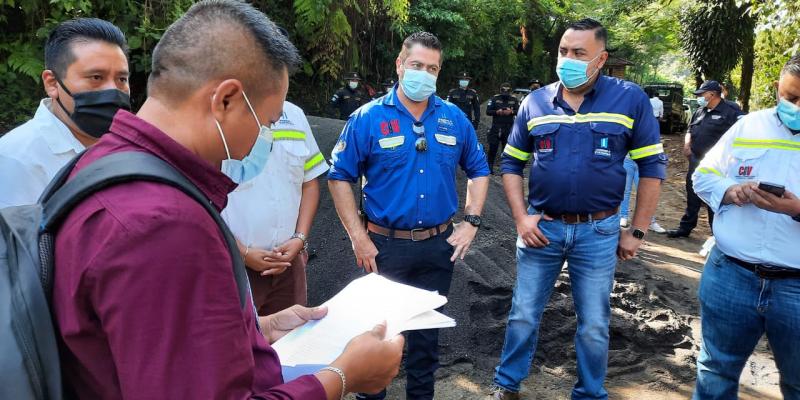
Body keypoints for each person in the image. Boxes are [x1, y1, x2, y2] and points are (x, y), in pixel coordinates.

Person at [52, 1, 403, 398]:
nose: (263, 142)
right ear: (225, 100)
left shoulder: (104, 165)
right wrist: (342, 377)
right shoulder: (162, 225)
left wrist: (254, 328)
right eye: (267, 124)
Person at [489, 18, 666, 399]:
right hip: (543, 230)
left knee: (594, 324)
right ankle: (507, 385)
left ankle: (589, 392)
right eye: (563, 51)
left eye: (578, 53)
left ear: (600, 59)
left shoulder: (629, 99)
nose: (567, 59)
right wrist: (521, 217)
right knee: (523, 314)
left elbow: (652, 167)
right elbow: (510, 163)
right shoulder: (535, 102)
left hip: (599, 233)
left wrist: (636, 231)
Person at [328, 31, 490, 400]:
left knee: (425, 342)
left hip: (438, 247)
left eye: (432, 68)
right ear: (400, 65)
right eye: (417, 65)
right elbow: (339, 177)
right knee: (378, 336)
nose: (424, 74)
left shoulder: (453, 118)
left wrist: (471, 222)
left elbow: (480, 169)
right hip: (383, 248)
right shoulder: (367, 118)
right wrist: (358, 236)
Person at [691, 55, 800, 399]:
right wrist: (729, 189)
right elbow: (703, 175)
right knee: (715, 373)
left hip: (796, 287)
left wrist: (797, 209)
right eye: (790, 97)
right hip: (730, 276)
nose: (795, 106)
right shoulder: (749, 126)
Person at [0, 18, 130, 208]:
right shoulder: (16, 159)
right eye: (96, 77)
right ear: (52, 83)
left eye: (122, 79)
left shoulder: (127, 146)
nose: (113, 90)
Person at [222, 100, 328, 316]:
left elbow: (309, 184)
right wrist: (242, 252)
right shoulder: (220, 117)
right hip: (233, 266)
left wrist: (299, 239)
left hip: (289, 266)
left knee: (290, 341)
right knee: (239, 343)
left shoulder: (295, 115)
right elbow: (203, 197)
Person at [667, 80, 744, 238]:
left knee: (713, 195)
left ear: (712, 94)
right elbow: (690, 128)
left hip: (719, 164)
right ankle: (686, 227)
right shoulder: (700, 111)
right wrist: (687, 144)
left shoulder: (731, 110)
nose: (699, 97)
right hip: (696, 159)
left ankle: (716, 233)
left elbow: (743, 132)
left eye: (702, 94)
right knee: (693, 192)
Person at [621, 155, 666, 232]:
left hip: (644, 162)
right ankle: (623, 216)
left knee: (646, 193)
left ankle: (651, 221)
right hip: (627, 160)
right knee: (625, 191)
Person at [485, 82, 520, 172]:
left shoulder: (514, 99)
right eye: (503, 90)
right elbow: (488, 111)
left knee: (507, 149)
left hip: (508, 127)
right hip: (496, 126)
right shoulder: (495, 98)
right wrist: (497, 112)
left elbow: (519, 111)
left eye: (507, 90)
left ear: (510, 90)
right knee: (493, 147)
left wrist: (511, 112)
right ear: (500, 90)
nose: (505, 91)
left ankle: (505, 169)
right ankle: (490, 167)